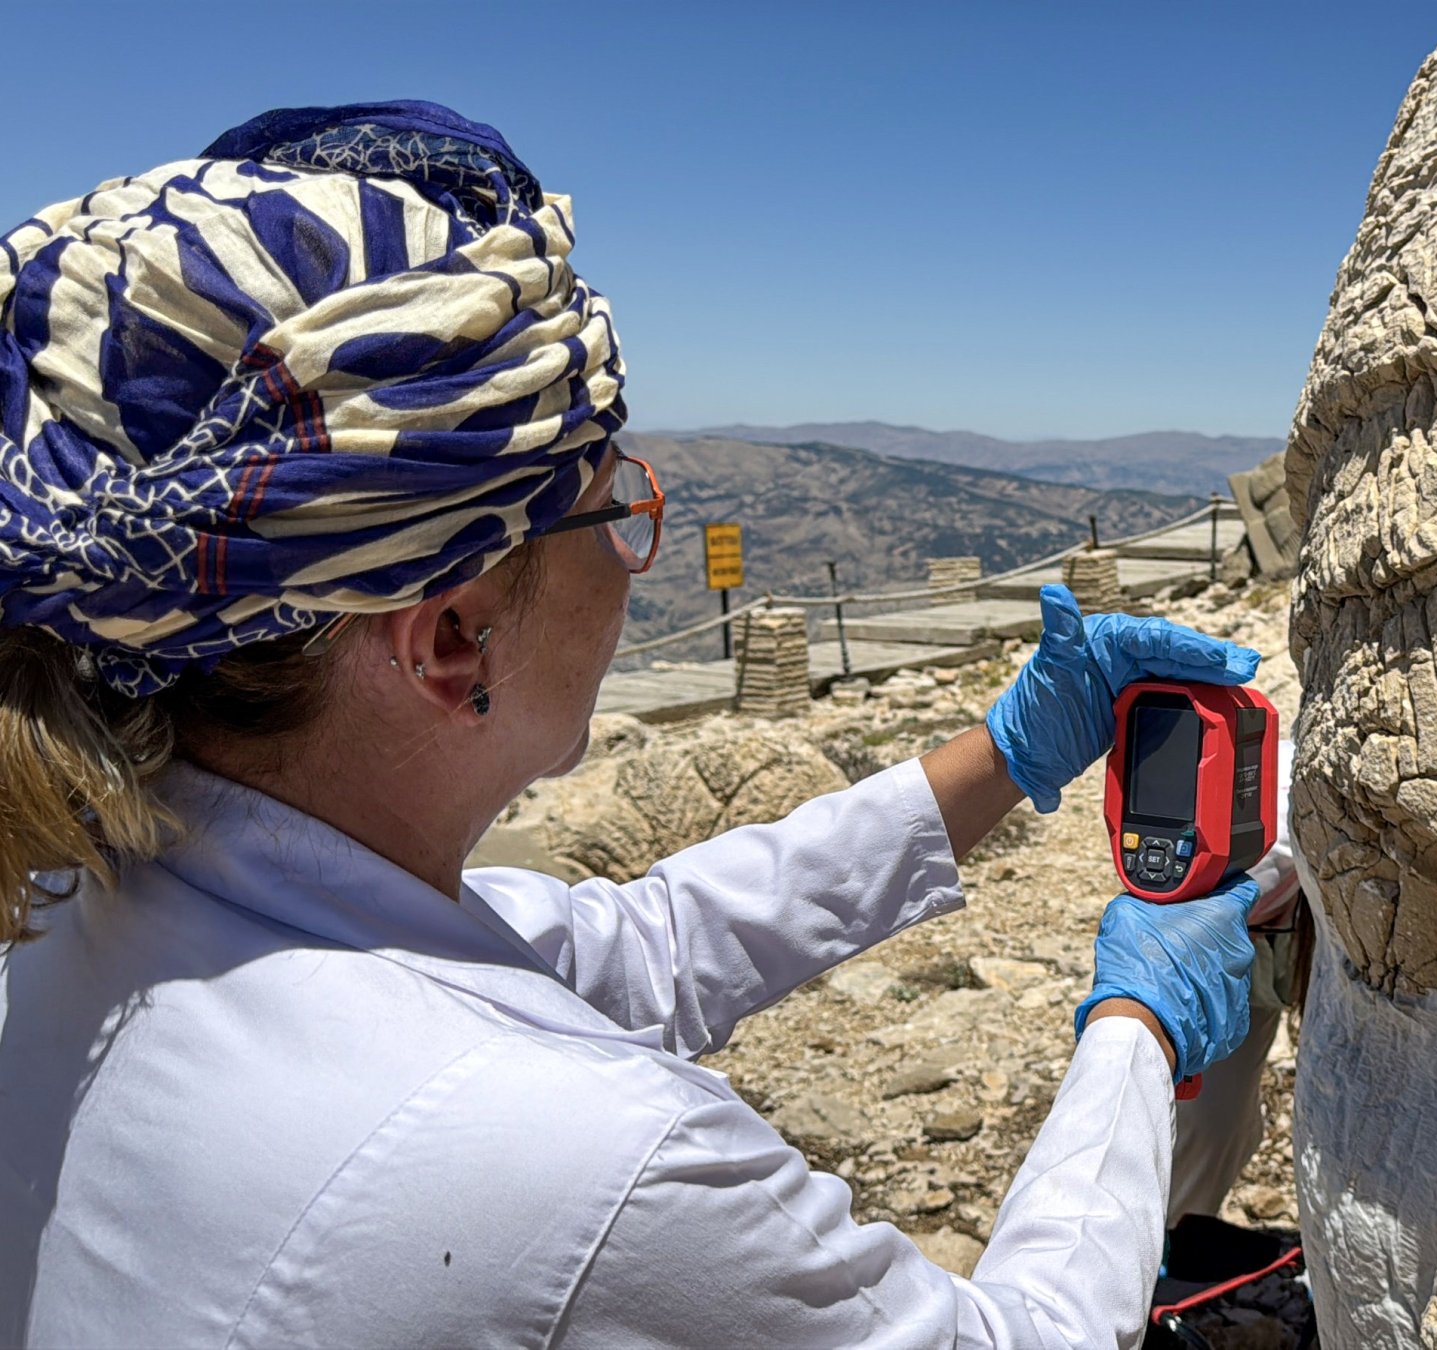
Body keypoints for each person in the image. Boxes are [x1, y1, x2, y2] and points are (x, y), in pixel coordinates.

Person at [0, 101, 1263, 1348]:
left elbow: (647, 948)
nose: (634, 558)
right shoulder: (578, 1157)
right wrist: (1137, 1026)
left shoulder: (96, 903)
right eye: (612, 508)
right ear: (453, 636)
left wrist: (1005, 752)